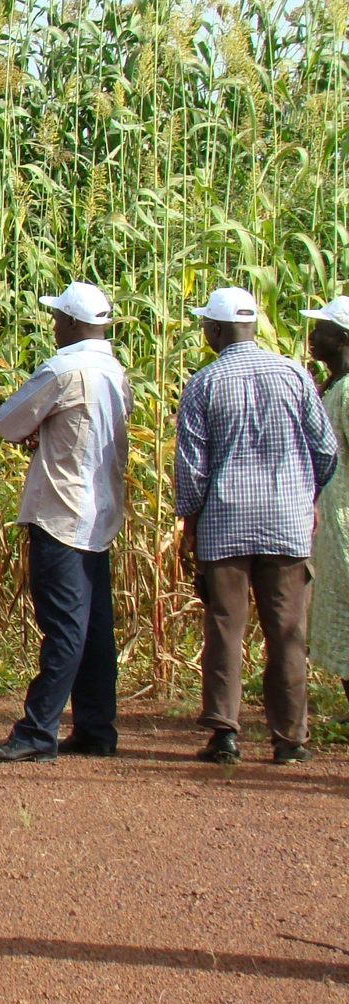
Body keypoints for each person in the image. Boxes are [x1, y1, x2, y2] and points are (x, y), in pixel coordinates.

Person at [175, 286, 338, 765]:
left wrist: (190, 524)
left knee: (225, 627)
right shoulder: (294, 374)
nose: (204, 330)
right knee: (287, 630)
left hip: (225, 522)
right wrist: (305, 495)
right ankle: (291, 739)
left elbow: (193, 469)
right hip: (287, 524)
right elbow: (324, 448)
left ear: (220, 330)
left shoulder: (203, 384)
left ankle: (224, 733)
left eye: (207, 324)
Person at [0, 282, 132, 763]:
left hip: (61, 511)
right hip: (101, 512)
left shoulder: (64, 368)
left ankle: (37, 730)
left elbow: (8, 422)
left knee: (64, 625)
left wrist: (37, 430)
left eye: (59, 317)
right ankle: (96, 727)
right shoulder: (115, 370)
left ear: (75, 323)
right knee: (96, 627)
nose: (54, 324)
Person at [303, 296, 349, 716]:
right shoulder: (332, 387)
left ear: (344, 339)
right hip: (334, 521)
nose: (313, 337)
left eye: (323, 331)